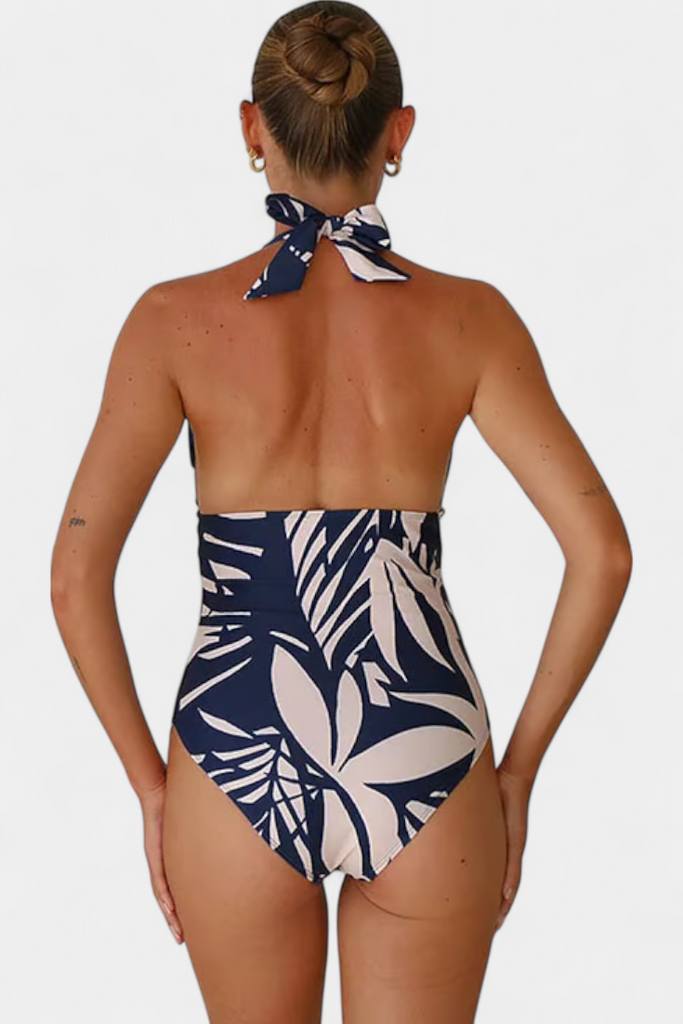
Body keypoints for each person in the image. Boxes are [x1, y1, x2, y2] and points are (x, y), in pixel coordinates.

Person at [50, 2, 633, 1021]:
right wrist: (516, 772)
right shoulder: (471, 318)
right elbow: (602, 553)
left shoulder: (170, 323)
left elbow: (73, 577)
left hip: (237, 742)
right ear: (395, 133)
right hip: (423, 736)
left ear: (252, 128)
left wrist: (153, 788)